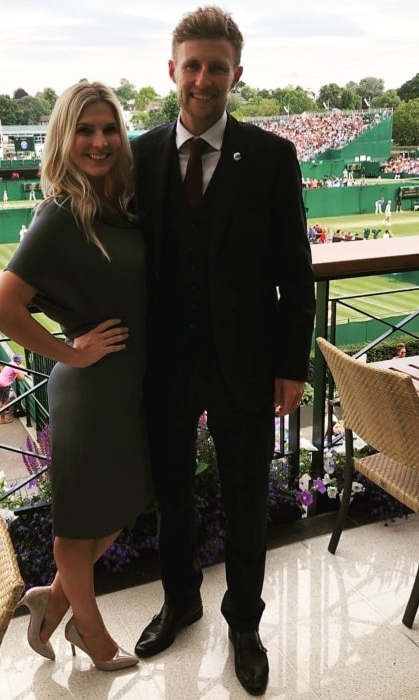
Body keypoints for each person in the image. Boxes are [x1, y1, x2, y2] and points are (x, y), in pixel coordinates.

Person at [131, 7, 316, 696]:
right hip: (165, 369)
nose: (203, 79)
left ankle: (245, 623)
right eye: (192, 65)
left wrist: (292, 364)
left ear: (238, 73)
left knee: (244, 500)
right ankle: (180, 601)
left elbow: (294, 271)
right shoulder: (139, 153)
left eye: (216, 67)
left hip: (245, 365)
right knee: (172, 496)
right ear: (172, 69)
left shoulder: (272, 156)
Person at [0, 81, 152, 670]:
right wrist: (72, 353)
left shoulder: (120, 202)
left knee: (121, 507)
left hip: (127, 384)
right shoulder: (61, 212)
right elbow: (0, 308)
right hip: (90, 386)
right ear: (64, 137)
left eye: (109, 129)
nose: (100, 141)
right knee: (80, 521)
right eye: (85, 130)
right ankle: (90, 632)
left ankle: (51, 603)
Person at [0, 354, 26, 423]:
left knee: (3, 401)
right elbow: (21, 378)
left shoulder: (11, 363)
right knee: (4, 403)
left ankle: (2, 416)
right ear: (19, 361)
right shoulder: (15, 366)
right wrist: (21, 373)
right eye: (21, 360)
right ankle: (2, 419)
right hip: (4, 385)